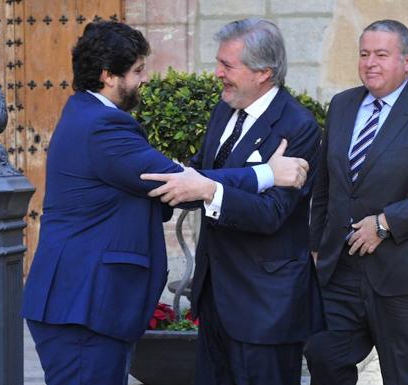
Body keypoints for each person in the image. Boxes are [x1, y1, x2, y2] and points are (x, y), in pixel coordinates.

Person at [21, 21, 309, 385]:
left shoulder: (86, 113)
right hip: (84, 306)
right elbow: (177, 179)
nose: (145, 79)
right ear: (109, 76)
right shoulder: (102, 126)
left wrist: (195, 185)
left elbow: (185, 183)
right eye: (138, 70)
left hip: (89, 306)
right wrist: (267, 173)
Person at [142, 18, 324, 385]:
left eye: (227, 65)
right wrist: (170, 180)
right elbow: (200, 171)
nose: (217, 73)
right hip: (216, 298)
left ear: (264, 73)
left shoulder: (297, 126)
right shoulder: (225, 108)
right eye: (218, 63)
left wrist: (208, 190)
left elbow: (273, 212)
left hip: (265, 306)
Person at [303, 19, 408, 385]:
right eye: (364, 54)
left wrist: (386, 223)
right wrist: (316, 246)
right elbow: (326, 183)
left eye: (382, 54)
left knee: (405, 375)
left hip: (407, 274)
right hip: (340, 270)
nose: (370, 63)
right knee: (324, 357)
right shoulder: (343, 105)